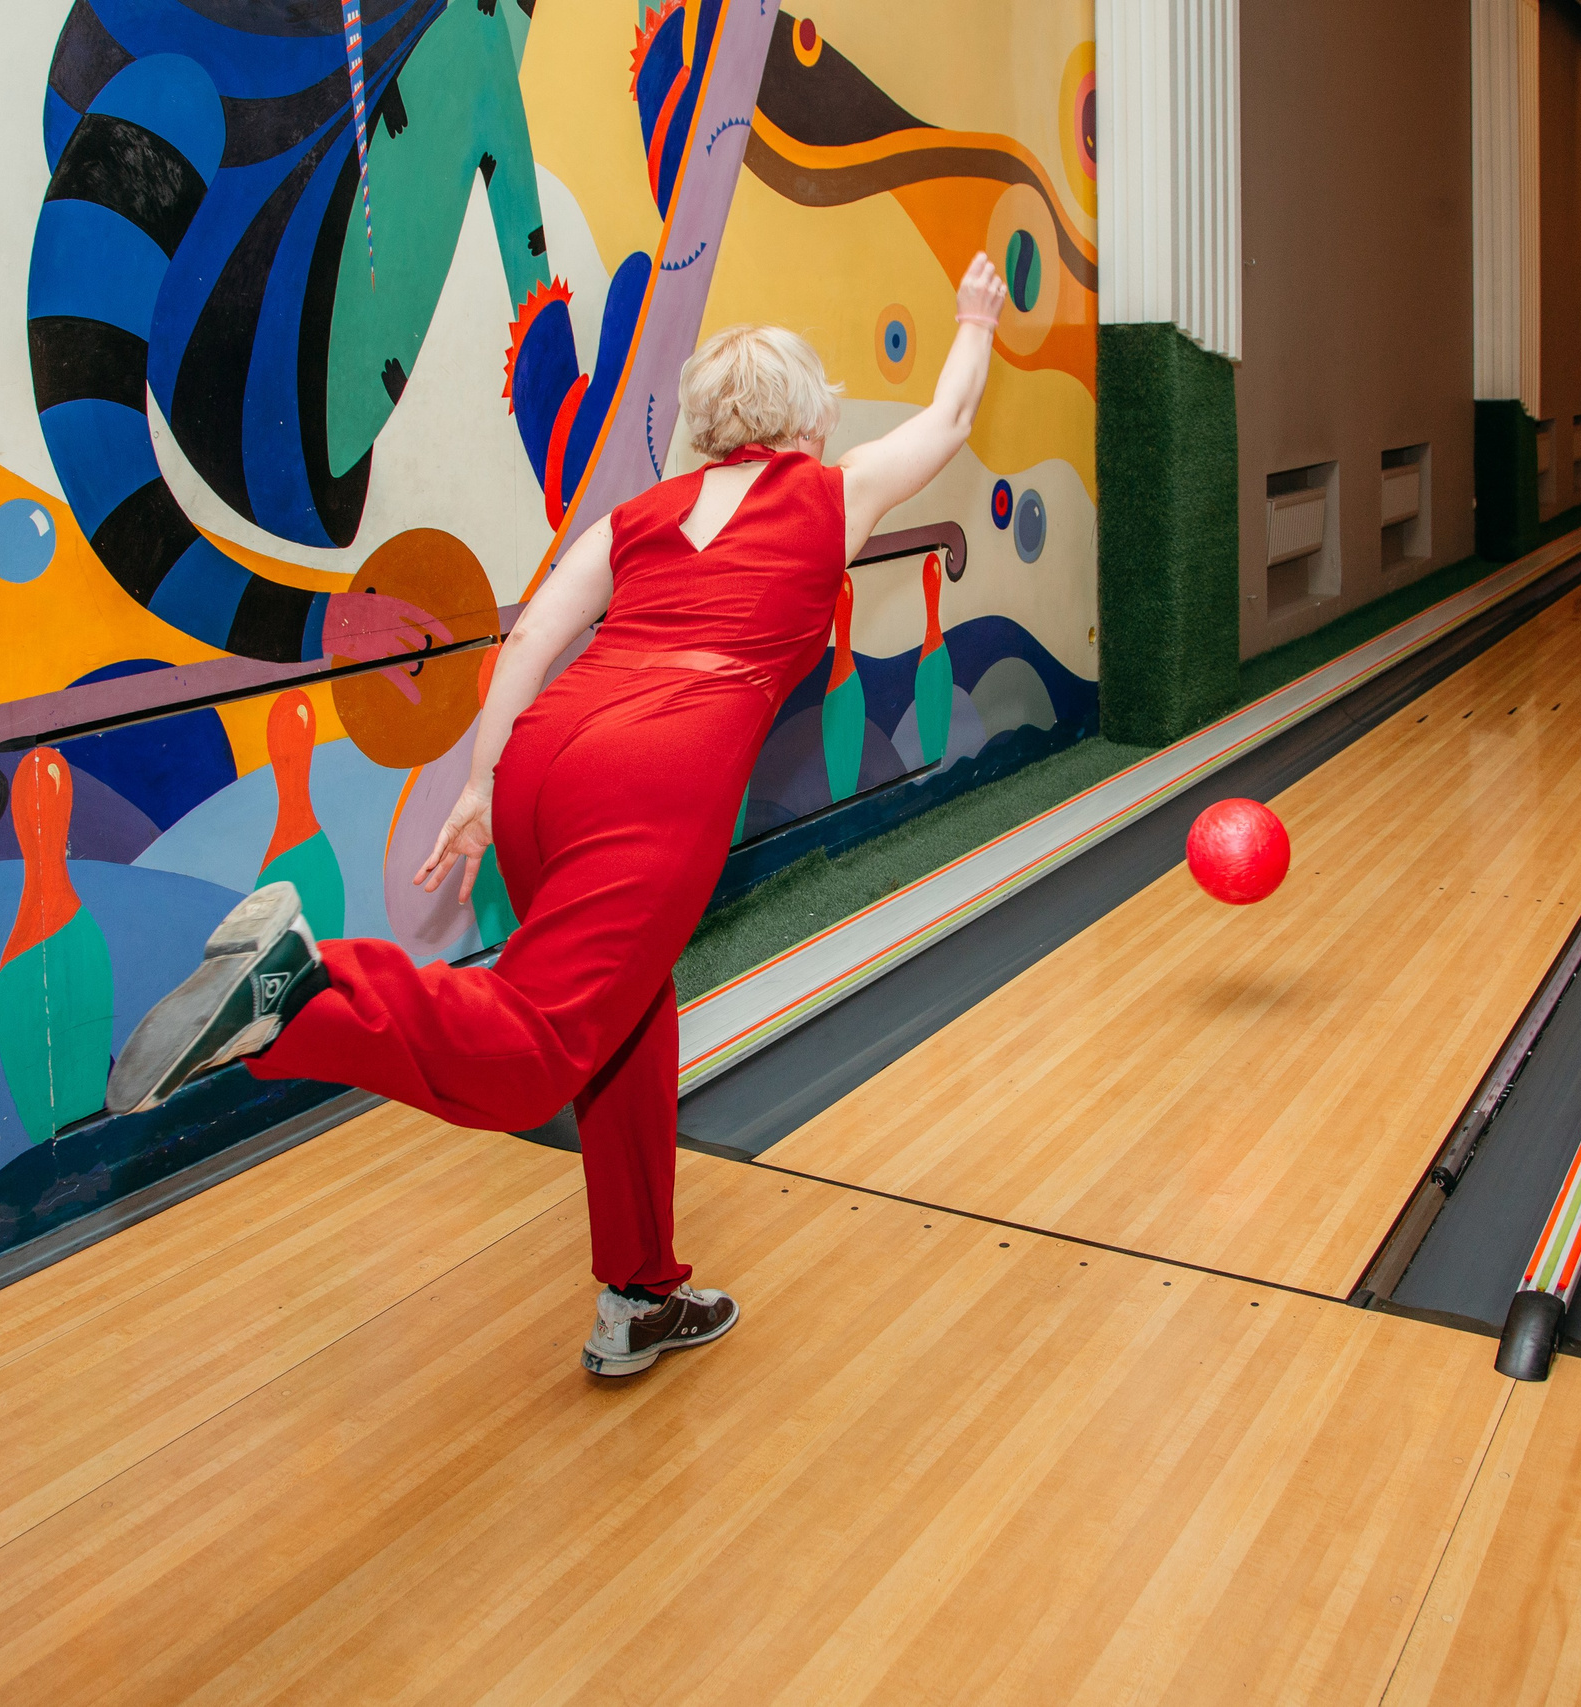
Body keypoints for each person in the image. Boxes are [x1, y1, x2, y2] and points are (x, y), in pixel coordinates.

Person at [108, 253, 1011, 1376]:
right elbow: (954, 410)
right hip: (656, 770)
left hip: (547, 754)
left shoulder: (634, 518)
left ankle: (639, 1293)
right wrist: (973, 317)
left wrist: (484, 787)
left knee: (625, 1016)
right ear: (807, 420)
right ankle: (308, 997)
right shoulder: (832, 492)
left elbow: (531, 642)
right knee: (540, 1045)